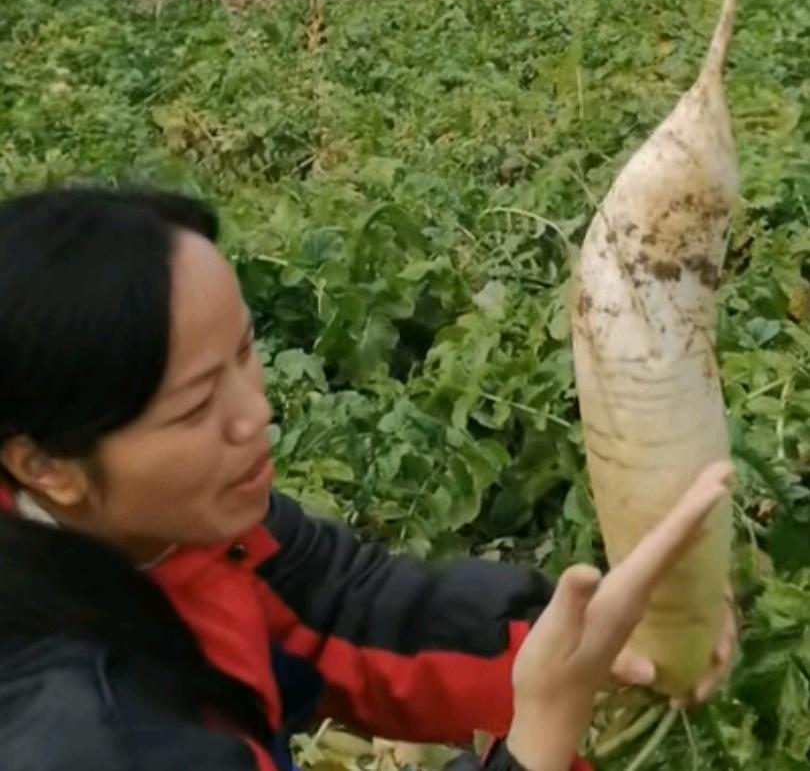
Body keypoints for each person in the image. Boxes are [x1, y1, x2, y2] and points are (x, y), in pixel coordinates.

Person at [0, 186, 737, 771]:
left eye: (244, 351)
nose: (253, 414)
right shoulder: (81, 737)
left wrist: (595, 639)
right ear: (45, 465)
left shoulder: (173, 524)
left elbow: (347, 609)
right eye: (196, 405)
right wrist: (536, 739)